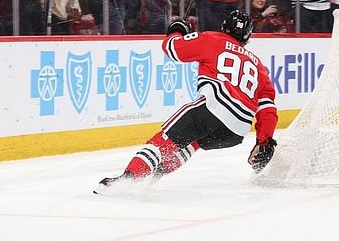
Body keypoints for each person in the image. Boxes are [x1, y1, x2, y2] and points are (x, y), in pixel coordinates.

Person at [94, 10, 278, 192]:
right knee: (192, 142)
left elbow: (172, 48)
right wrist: (264, 141)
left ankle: (129, 178)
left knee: (164, 141)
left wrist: (177, 29)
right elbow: (267, 107)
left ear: (224, 27)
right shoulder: (257, 65)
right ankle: (154, 176)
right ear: (247, 37)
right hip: (235, 132)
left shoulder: (212, 39)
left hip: (212, 109)